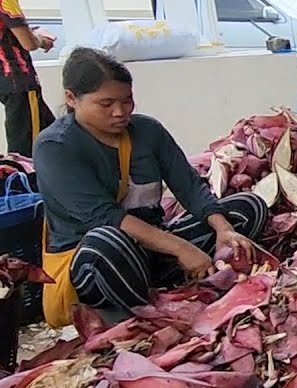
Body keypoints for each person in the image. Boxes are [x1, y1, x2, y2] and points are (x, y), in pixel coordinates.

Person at [33, 47, 269, 327]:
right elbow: (104, 217)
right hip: (105, 260)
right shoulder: (55, 147)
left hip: (157, 248)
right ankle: (135, 314)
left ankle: (178, 285)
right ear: (71, 98)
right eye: (106, 104)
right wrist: (182, 249)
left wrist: (222, 229)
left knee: (248, 207)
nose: (120, 112)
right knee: (103, 243)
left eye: (127, 101)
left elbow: (189, 186)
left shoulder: (148, 131)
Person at [0, 0, 57, 158]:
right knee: (26, 151)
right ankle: (20, 188)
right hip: (18, 80)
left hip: (5, 83)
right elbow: (28, 43)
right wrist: (41, 38)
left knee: (54, 136)